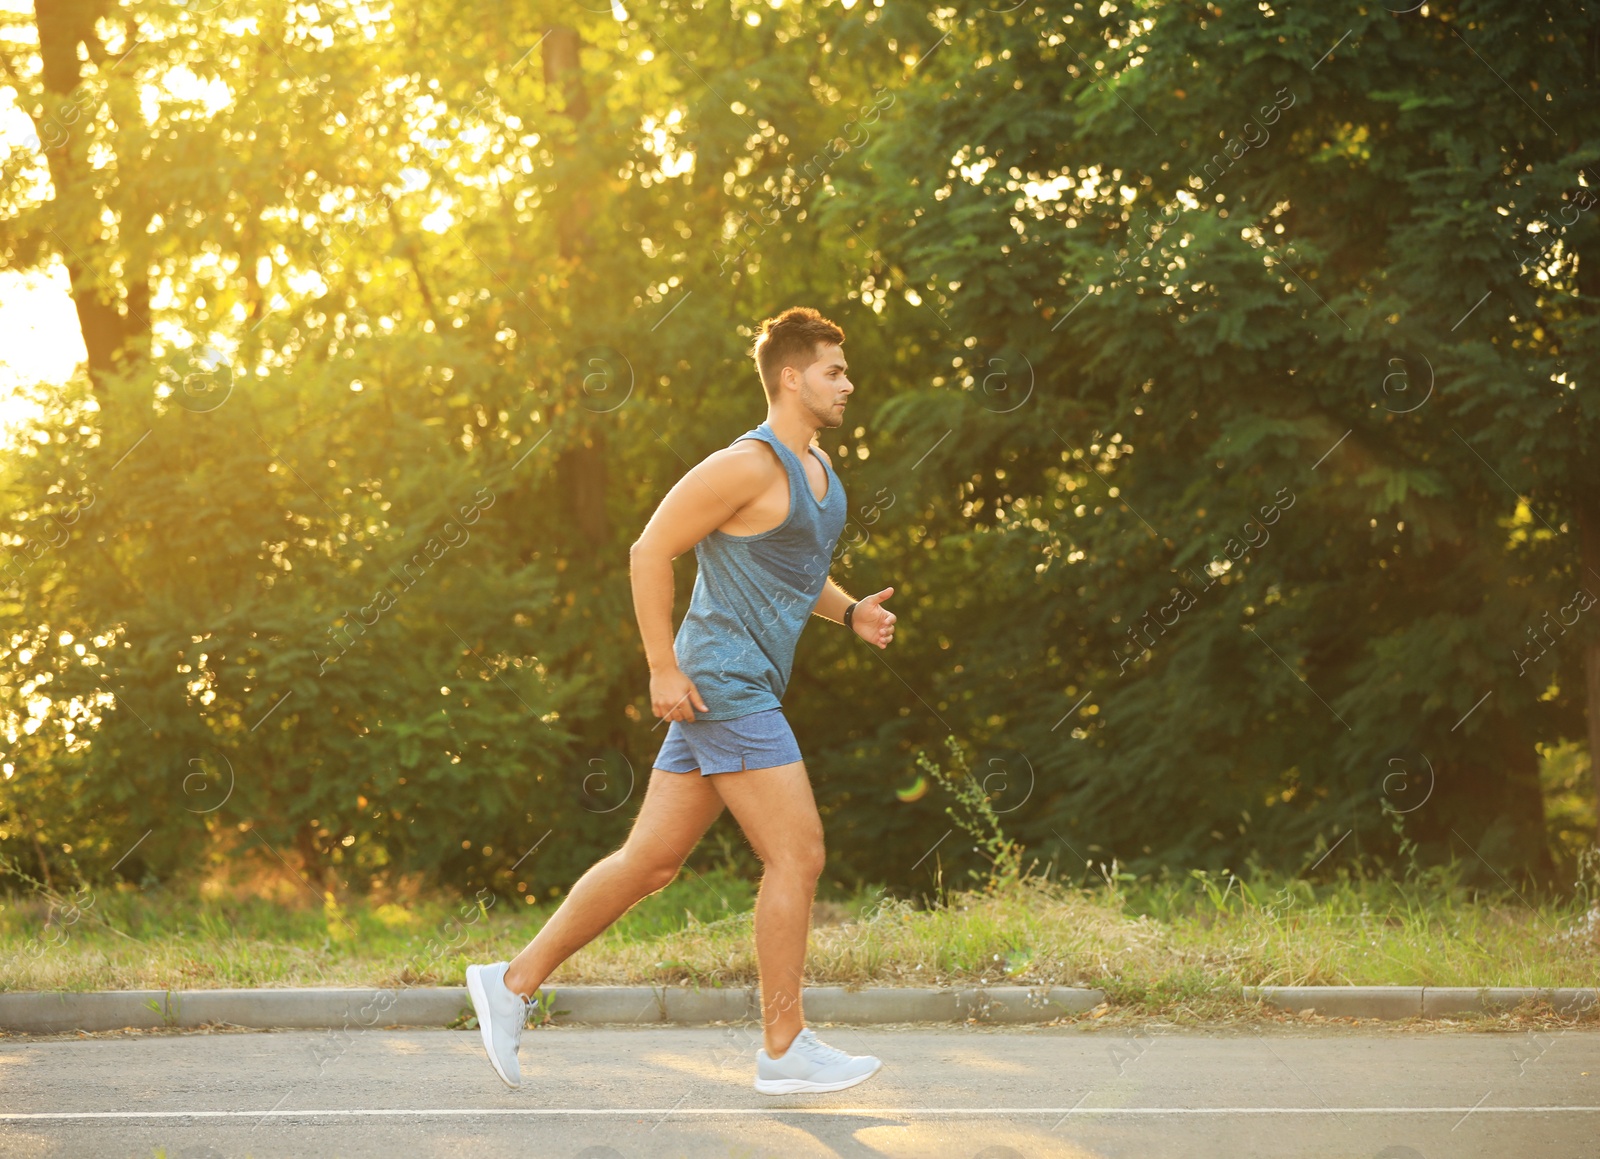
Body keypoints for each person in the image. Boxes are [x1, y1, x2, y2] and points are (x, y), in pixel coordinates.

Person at [466, 306, 898, 1095]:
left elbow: (793, 573)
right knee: (797, 853)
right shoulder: (746, 465)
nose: (849, 382)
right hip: (720, 682)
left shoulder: (821, 475)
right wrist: (662, 667)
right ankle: (783, 1045)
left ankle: (510, 982)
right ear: (792, 377)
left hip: (735, 687)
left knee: (650, 861)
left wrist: (851, 613)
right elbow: (648, 549)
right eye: (835, 370)